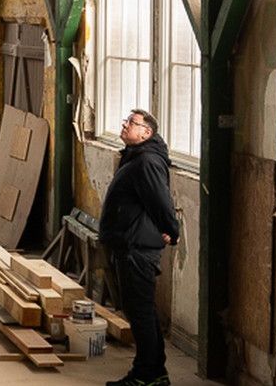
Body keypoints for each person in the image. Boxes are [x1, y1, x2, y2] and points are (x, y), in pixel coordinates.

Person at [99, 109, 181, 386]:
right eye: (125, 120)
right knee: (139, 310)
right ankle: (154, 371)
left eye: (131, 123)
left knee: (140, 311)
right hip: (130, 243)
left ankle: (147, 374)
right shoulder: (137, 156)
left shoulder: (147, 161)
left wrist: (172, 230)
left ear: (146, 132)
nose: (124, 125)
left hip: (137, 248)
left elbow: (160, 201)